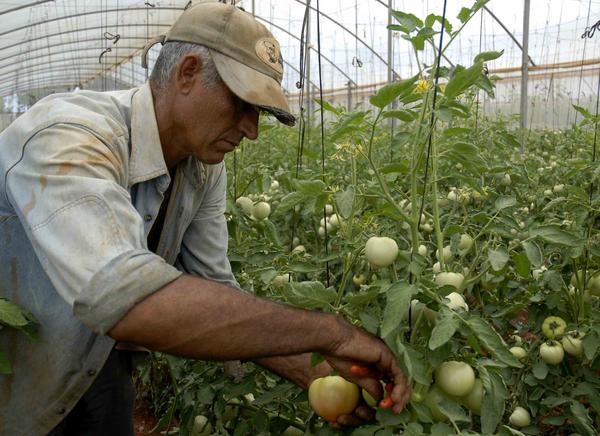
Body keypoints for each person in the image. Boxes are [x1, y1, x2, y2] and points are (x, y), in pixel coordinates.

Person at [0, 2, 410, 435]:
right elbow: (124, 297)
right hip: (17, 367)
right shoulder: (70, 136)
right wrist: (330, 333)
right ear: (188, 73)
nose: (251, 129)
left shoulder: (203, 168)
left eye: (261, 113)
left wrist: (313, 371)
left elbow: (215, 291)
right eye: (242, 103)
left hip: (98, 359)